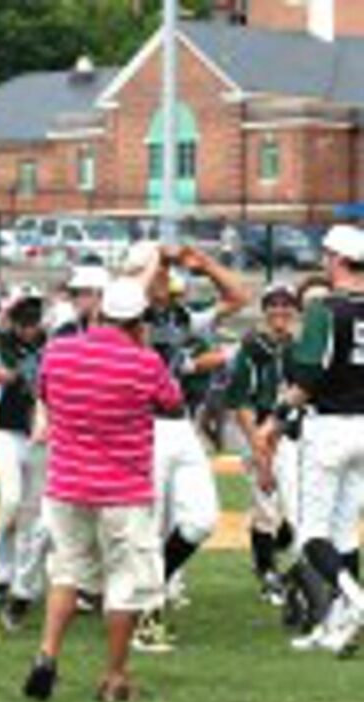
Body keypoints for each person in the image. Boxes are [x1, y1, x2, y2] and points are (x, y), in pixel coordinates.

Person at [23, 277, 182, 702]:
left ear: (99, 311)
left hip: (66, 482)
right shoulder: (144, 362)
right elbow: (174, 402)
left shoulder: (58, 351)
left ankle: (46, 656)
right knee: (125, 584)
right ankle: (114, 676)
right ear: (139, 321)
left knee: (67, 571)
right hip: (123, 490)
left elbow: (45, 396)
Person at [123, 240, 249, 651]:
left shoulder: (180, 315)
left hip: (180, 426)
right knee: (150, 521)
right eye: (159, 272)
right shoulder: (125, 312)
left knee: (200, 519)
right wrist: (154, 259)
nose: (166, 277)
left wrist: (206, 264)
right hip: (144, 424)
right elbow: (132, 296)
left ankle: (149, 589)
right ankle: (146, 618)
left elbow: (239, 298)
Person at [256, 224, 364, 656]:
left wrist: (275, 422)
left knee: (311, 534)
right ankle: (334, 626)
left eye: (326, 255)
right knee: (343, 533)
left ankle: (355, 603)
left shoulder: (326, 309)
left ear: (337, 259)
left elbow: (307, 378)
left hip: (329, 427)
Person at [225, 283, 299, 603]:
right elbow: (240, 403)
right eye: (273, 303)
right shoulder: (253, 348)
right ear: (264, 309)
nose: (280, 309)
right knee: (267, 508)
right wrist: (260, 450)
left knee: (299, 512)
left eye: (287, 304)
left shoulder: (299, 348)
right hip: (260, 427)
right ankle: (268, 572)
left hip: (295, 434)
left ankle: (268, 561)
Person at [0, 284, 49, 630]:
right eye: (23, 318)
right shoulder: (2, 342)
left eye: (34, 318)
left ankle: (23, 580)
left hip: (39, 434)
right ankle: (1, 571)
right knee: (11, 502)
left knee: (33, 511)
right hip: (7, 430)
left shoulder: (50, 343)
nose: (30, 325)